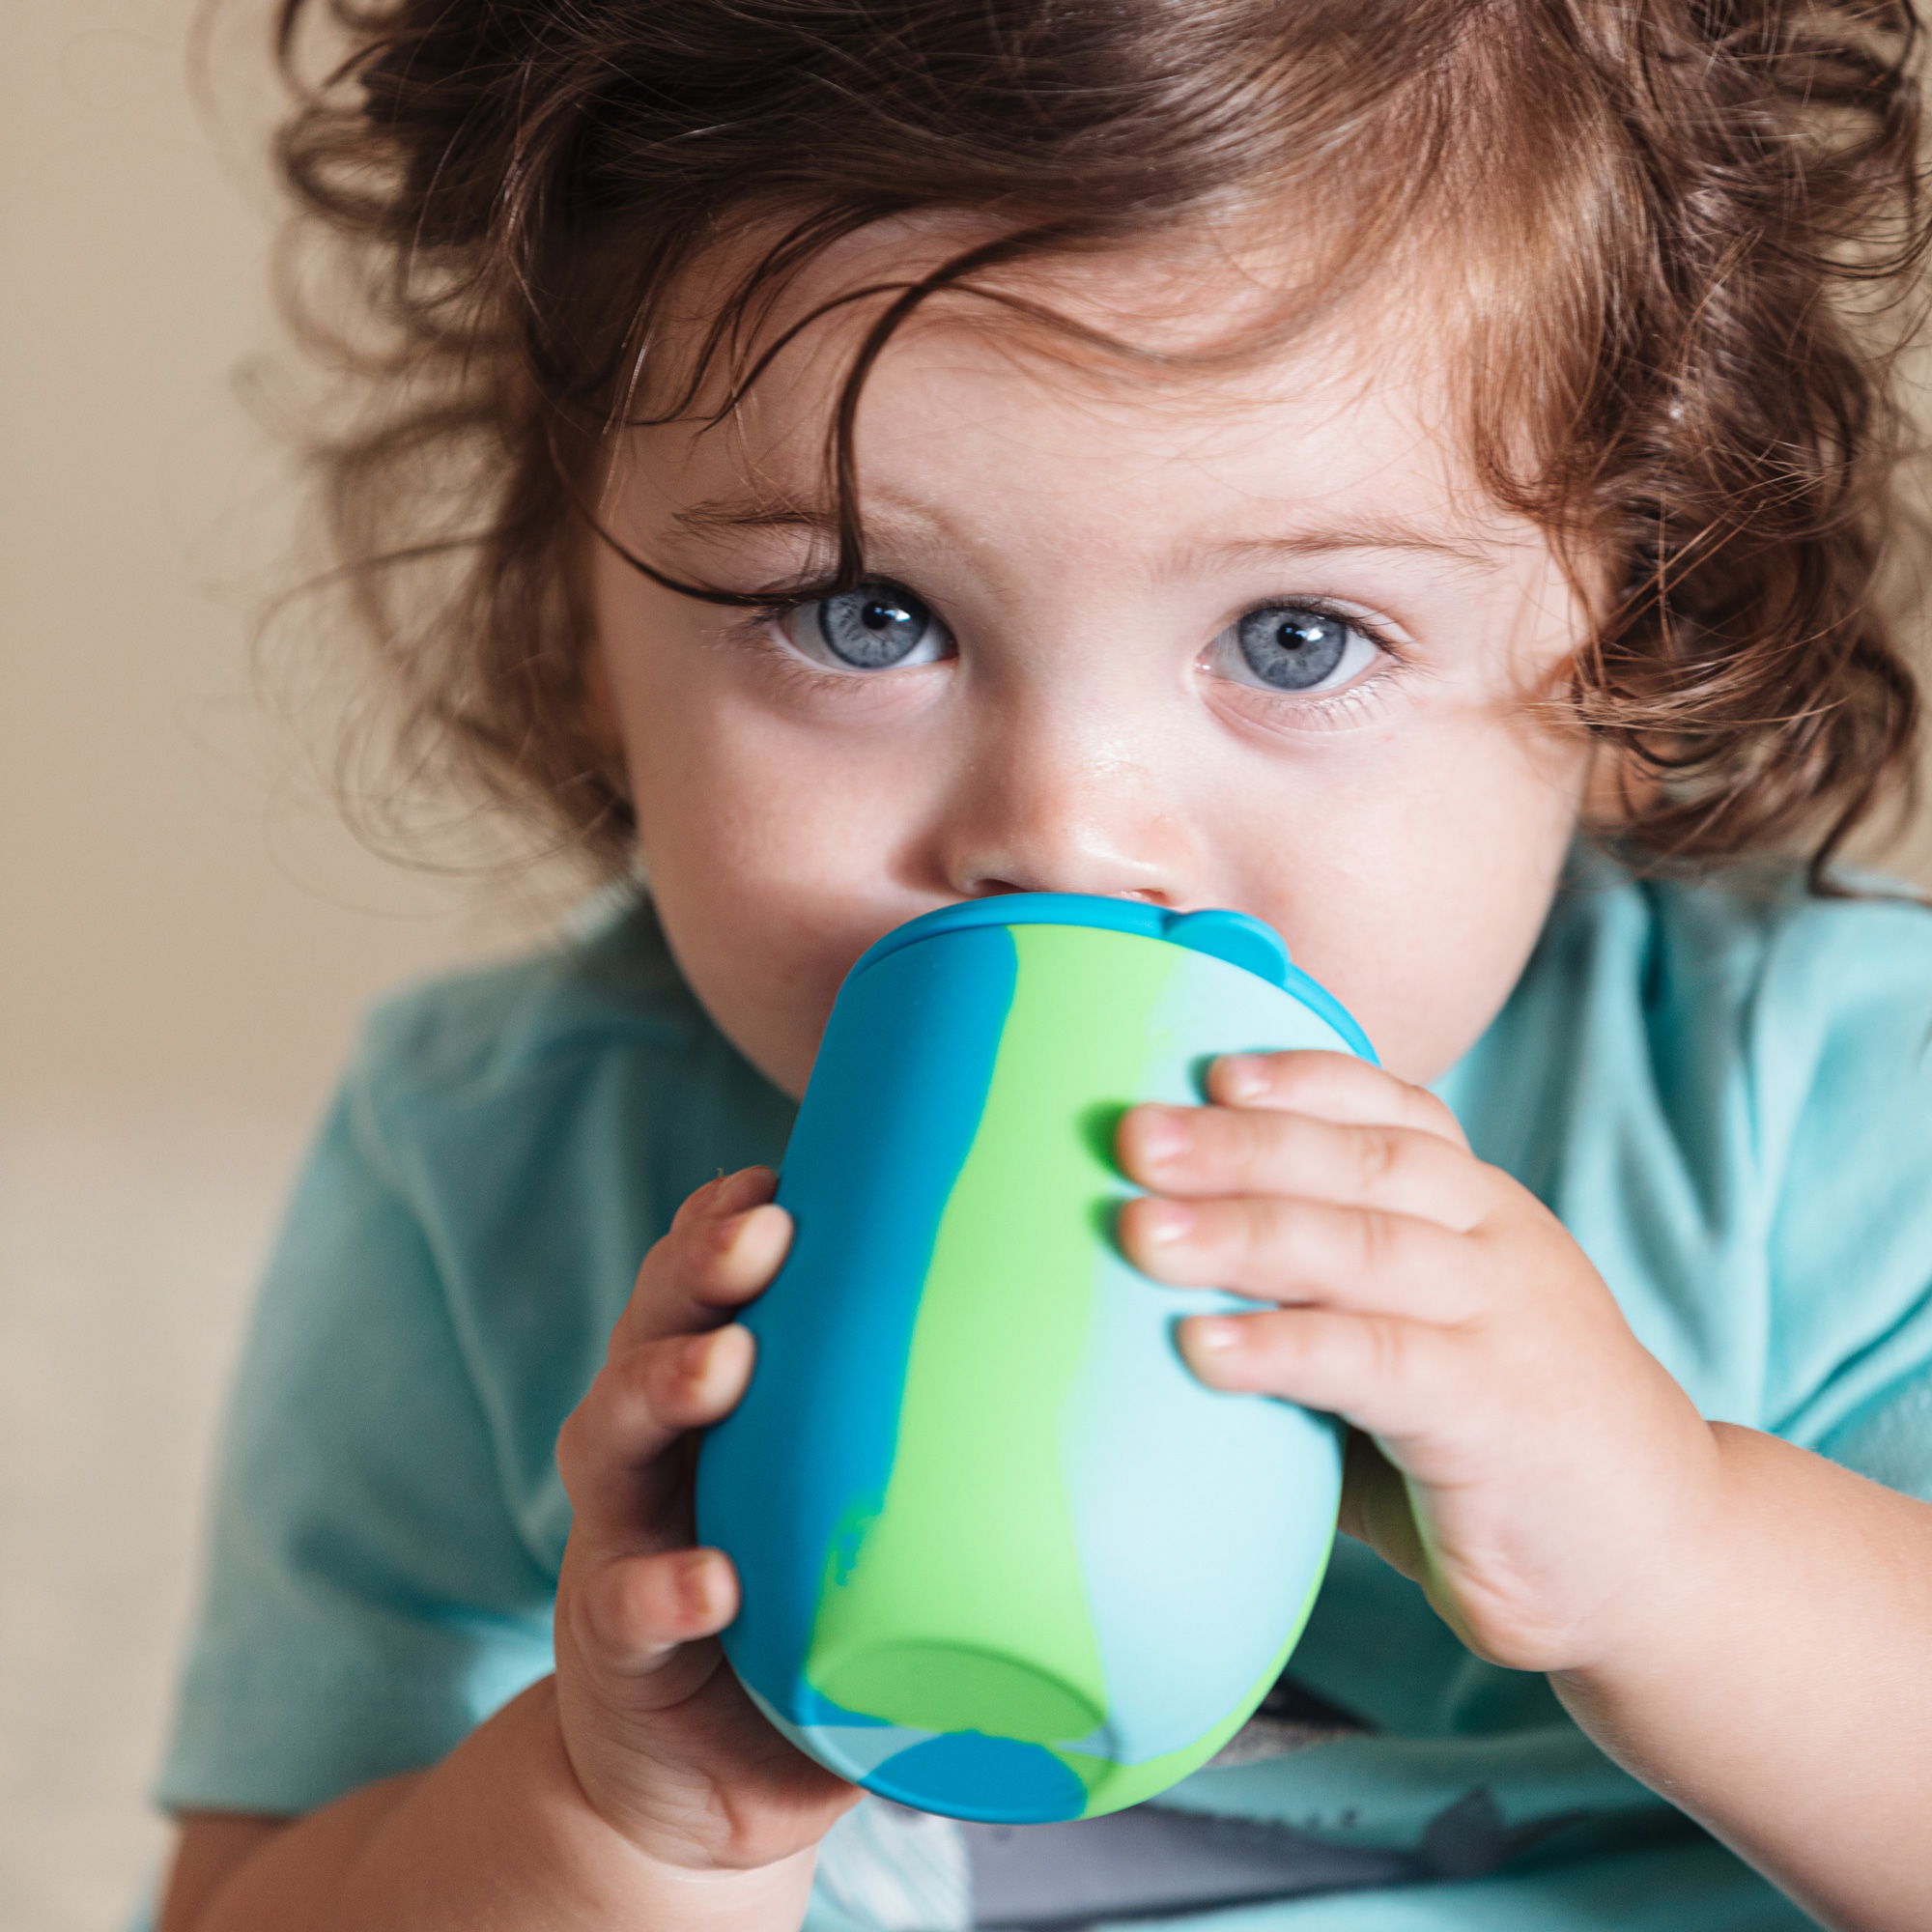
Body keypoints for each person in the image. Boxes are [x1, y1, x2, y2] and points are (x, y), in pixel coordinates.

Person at [150, 1, 1932, 1927]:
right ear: (580, 616)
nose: (1069, 828)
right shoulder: (496, 1172)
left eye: (1298, 639)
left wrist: (1672, 1546)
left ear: (1628, 643)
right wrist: (607, 1817)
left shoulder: (1814, 1117)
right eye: (864, 611)